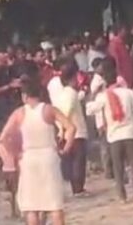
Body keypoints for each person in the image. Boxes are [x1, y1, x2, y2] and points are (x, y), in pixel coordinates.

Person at [0, 79, 75, 225]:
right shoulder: (49, 109)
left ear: (24, 96)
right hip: (48, 156)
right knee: (54, 204)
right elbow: (71, 128)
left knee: (32, 207)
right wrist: (66, 149)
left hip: (29, 157)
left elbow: (3, 137)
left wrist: (15, 153)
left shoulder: (19, 113)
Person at [85, 64, 133, 203]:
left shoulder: (103, 96)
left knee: (118, 167)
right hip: (130, 132)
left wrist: (93, 94)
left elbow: (89, 110)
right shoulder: (128, 92)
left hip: (114, 135)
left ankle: (122, 196)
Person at [52, 62, 89, 195]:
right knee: (78, 162)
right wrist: (64, 128)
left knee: (73, 161)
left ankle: (76, 187)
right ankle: (78, 188)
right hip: (76, 132)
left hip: (67, 132)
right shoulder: (71, 94)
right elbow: (66, 112)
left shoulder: (62, 94)